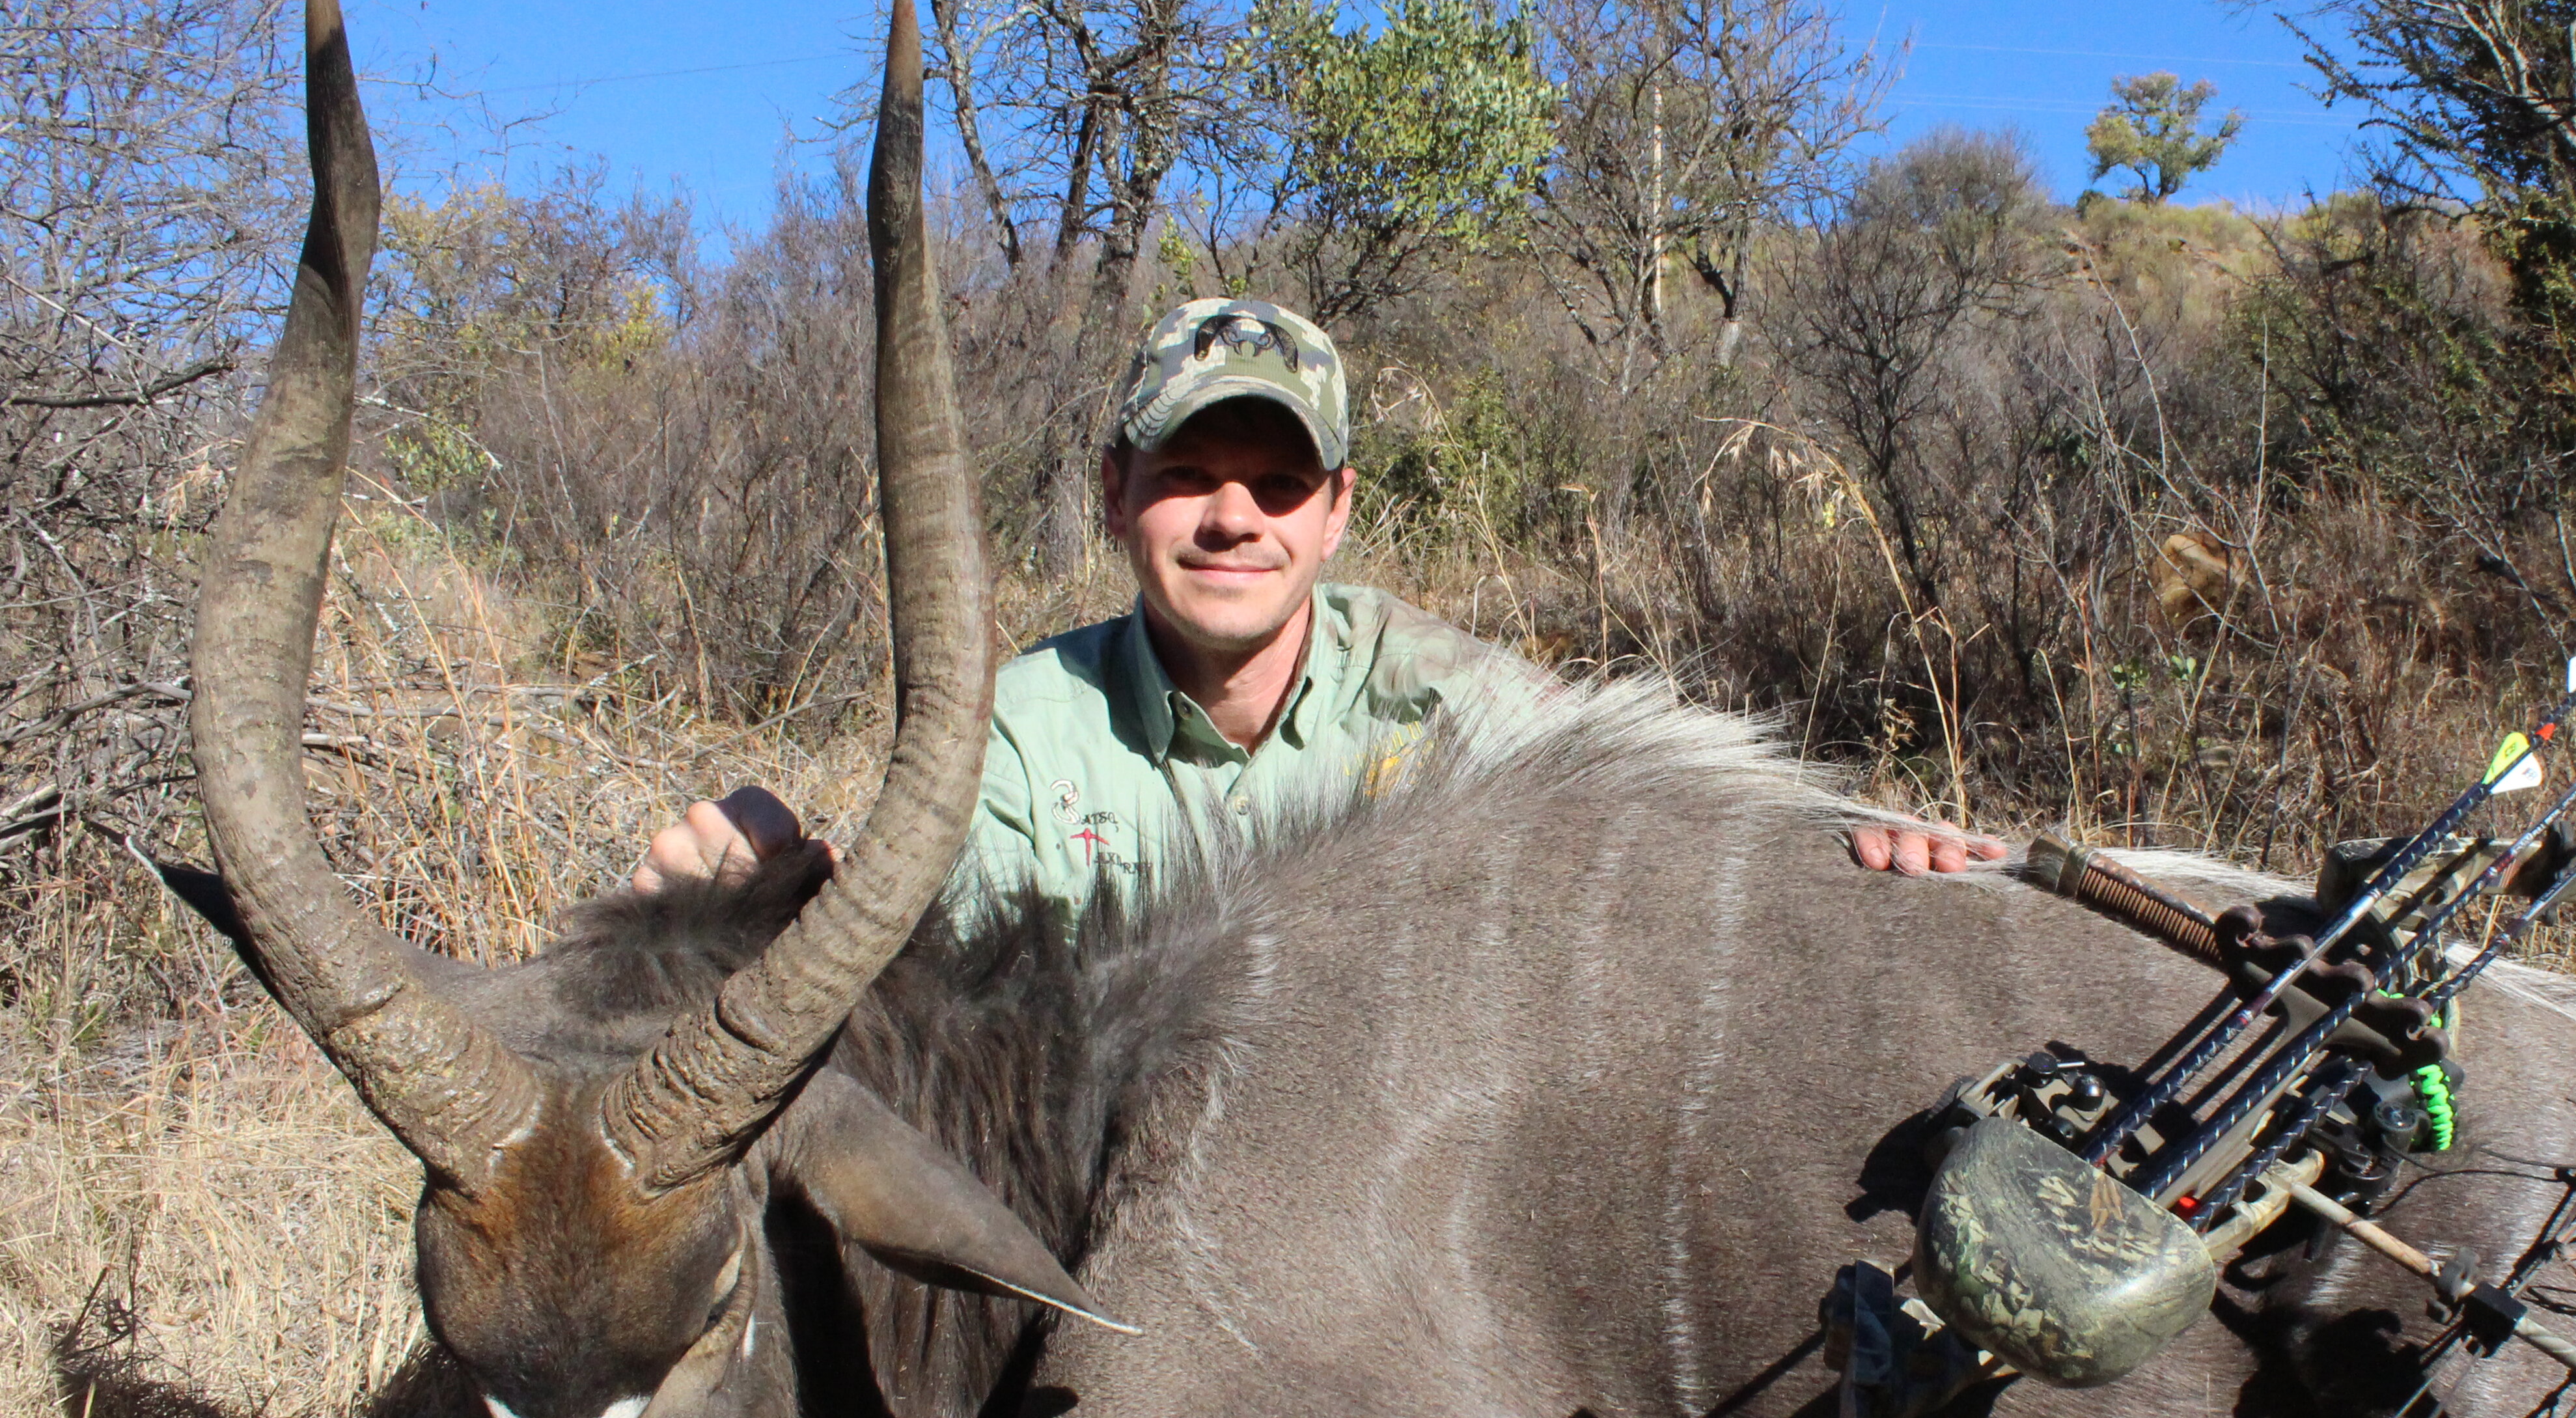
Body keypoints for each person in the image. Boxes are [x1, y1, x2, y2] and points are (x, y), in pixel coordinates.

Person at [635, 295, 2004, 905]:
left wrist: (1848, 831)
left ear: (1337, 512)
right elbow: (939, 987)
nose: (1235, 516)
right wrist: (776, 894)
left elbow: (1641, 777)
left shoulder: (1439, 693)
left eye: (1279, 484)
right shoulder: (1011, 734)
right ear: (1115, 492)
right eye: (1190, 476)